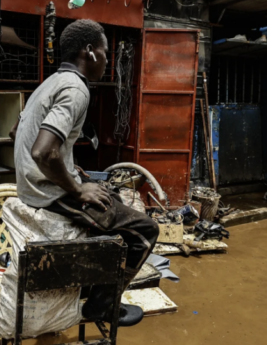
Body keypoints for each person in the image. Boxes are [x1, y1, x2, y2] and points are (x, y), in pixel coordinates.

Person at [10, 19, 159, 327]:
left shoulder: (50, 83)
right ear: (90, 52)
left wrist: (67, 164)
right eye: (105, 52)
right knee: (144, 231)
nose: (107, 60)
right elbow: (41, 151)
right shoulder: (76, 89)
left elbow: (17, 133)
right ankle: (101, 306)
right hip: (47, 193)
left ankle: (92, 285)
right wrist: (76, 189)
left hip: (31, 185)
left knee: (109, 196)